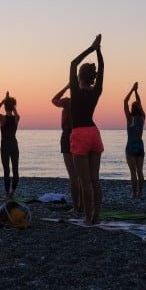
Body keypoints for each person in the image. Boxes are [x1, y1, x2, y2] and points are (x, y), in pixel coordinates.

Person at [69, 34, 104, 225]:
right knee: (95, 180)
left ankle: (89, 218)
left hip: (80, 134)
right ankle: (96, 215)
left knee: (85, 181)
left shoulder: (75, 90)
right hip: (94, 132)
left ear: (79, 76)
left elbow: (73, 63)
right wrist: (99, 51)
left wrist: (91, 48)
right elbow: (103, 70)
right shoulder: (96, 91)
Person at [51, 84, 81, 212]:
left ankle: (76, 206)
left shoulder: (68, 102)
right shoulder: (83, 102)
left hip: (69, 134)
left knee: (73, 175)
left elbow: (54, 100)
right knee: (82, 174)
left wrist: (66, 87)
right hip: (81, 134)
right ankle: (83, 204)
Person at [0, 92, 20, 198]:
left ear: (5, 107)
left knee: (6, 170)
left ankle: (7, 193)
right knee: (15, 169)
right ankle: (12, 192)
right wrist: (11, 104)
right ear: (13, 106)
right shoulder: (16, 118)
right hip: (14, 145)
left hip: (5, 145)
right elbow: (16, 113)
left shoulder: (2, 119)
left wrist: (2, 101)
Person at [124, 82, 146, 198]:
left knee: (133, 172)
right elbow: (140, 104)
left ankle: (134, 193)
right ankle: (140, 192)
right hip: (140, 146)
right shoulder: (142, 117)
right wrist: (136, 92)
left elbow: (125, 102)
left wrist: (132, 90)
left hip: (131, 146)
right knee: (140, 171)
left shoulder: (129, 118)